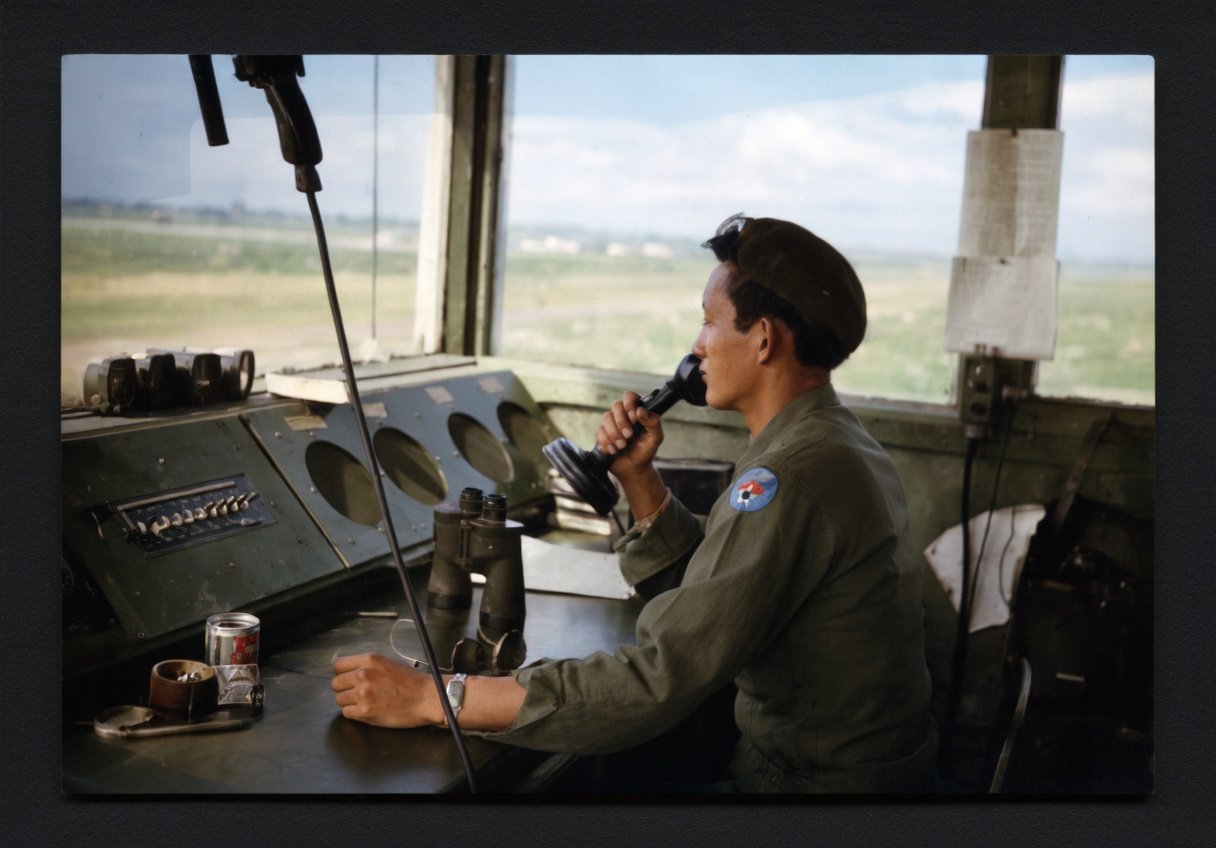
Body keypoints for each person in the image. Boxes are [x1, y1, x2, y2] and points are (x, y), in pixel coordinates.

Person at [332, 214, 937, 793]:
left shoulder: (789, 476)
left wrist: (433, 697)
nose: (696, 346)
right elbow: (725, 593)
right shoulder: (832, 439)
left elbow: (657, 681)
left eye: (708, 321)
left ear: (763, 339)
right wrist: (639, 479)